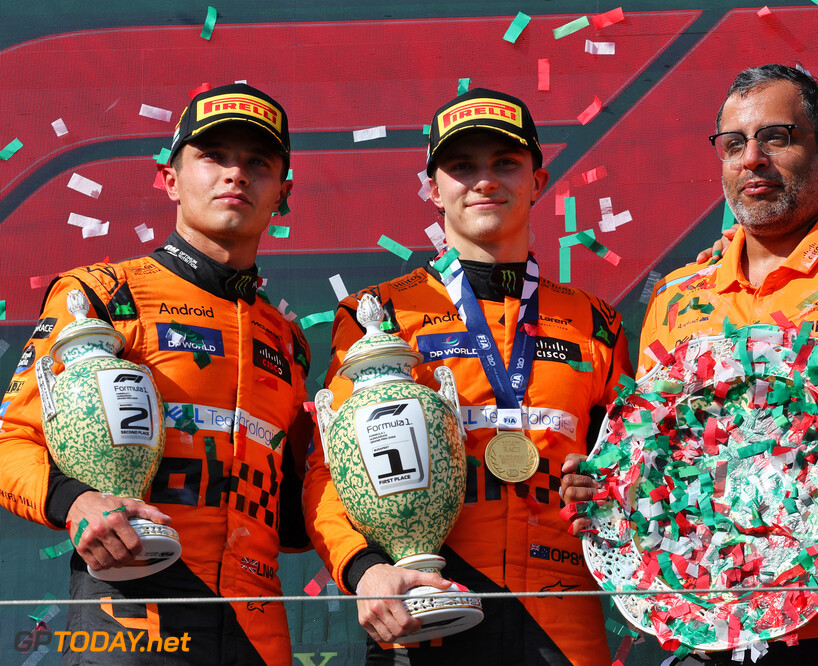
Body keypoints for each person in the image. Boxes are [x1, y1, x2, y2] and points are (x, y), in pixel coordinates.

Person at [563, 64, 818, 664]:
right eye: (733, 144)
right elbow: (651, 456)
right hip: (714, 624)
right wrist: (602, 486)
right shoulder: (678, 296)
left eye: (775, 137)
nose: (752, 158)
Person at [303, 87, 633, 666]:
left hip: (564, 619)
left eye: (506, 162)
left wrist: (606, 490)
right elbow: (329, 470)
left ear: (540, 178)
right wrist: (363, 568)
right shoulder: (378, 314)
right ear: (431, 187)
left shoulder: (597, 322)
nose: (484, 180)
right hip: (425, 603)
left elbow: (634, 471)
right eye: (461, 166)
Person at [0, 83, 312, 664]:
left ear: (283, 193)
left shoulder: (288, 340)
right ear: (169, 178)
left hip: (258, 626)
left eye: (258, 163)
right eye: (213, 157)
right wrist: (77, 502)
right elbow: (10, 440)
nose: (236, 174)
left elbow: (293, 517)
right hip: (128, 602)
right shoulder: (101, 295)